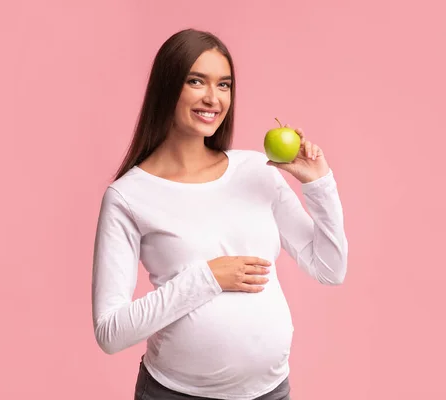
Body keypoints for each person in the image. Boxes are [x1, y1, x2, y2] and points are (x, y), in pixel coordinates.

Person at [91, 28, 349, 400]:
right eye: (197, 81)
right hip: (175, 394)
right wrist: (207, 278)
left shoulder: (257, 170)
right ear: (167, 87)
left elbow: (330, 268)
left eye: (224, 84)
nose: (213, 98)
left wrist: (319, 184)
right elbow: (110, 333)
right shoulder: (128, 197)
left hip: (271, 392)